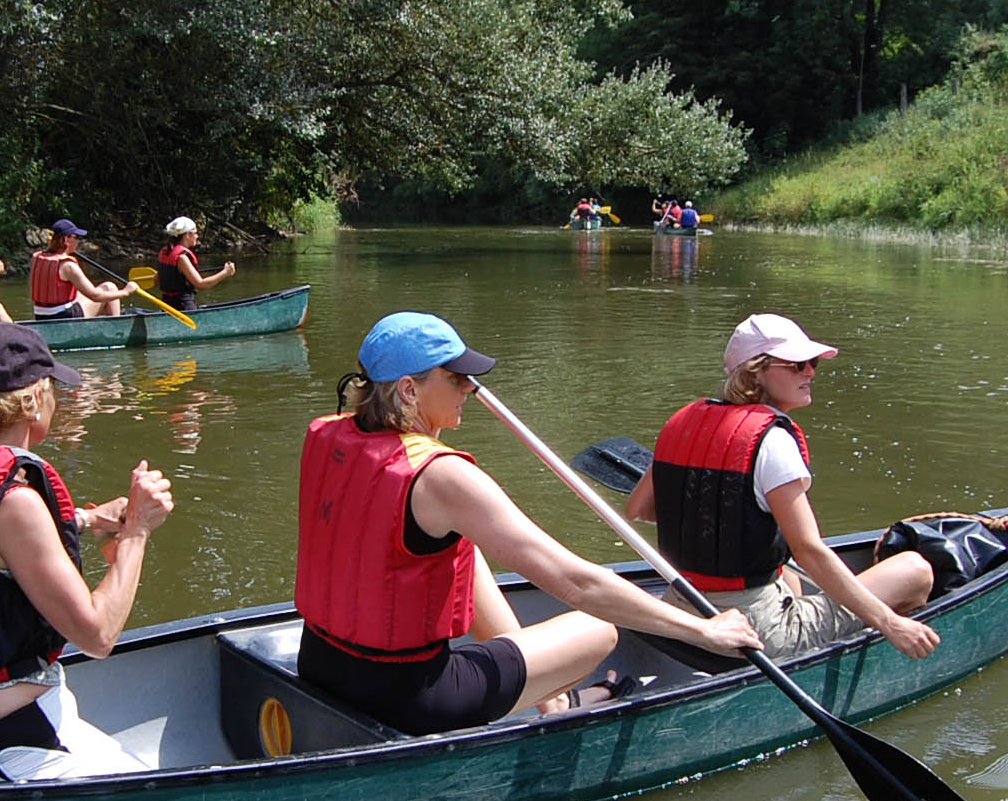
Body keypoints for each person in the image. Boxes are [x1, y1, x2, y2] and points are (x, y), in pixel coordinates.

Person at [294, 311, 763, 735]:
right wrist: (702, 629)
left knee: (461, 551)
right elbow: (577, 582)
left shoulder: (333, 435)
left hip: (319, 664)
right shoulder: (443, 477)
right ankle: (548, 697)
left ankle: (550, 701)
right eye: (456, 378)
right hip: (410, 699)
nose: (470, 389)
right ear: (409, 389)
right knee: (600, 629)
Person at [0, 322, 174, 781]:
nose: (57, 401)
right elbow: (98, 636)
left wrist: (88, 519)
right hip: (20, 739)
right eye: (53, 390)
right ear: (31, 402)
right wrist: (137, 532)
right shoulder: (18, 504)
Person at [626, 312, 939, 661]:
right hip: (754, 631)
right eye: (797, 364)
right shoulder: (772, 441)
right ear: (754, 371)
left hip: (680, 608)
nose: (810, 372)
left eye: (812, 363)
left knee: (786, 573)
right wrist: (890, 623)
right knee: (915, 570)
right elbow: (810, 551)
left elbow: (637, 509)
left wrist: (705, 512)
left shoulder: (683, 423)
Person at [29, 219, 128, 321]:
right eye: (76, 237)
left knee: (83, 293)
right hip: (63, 316)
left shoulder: (37, 257)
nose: (78, 241)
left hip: (40, 316)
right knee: (109, 288)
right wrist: (126, 291)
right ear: (66, 240)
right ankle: (116, 331)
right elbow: (95, 296)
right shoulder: (68, 266)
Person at [153, 215, 236, 312]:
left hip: (166, 307)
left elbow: (156, 280)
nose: (197, 236)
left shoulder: (164, 252)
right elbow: (201, 284)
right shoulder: (182, 258)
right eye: (195, 233)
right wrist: (225, 272)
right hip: (184, 309)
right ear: (188, 235)